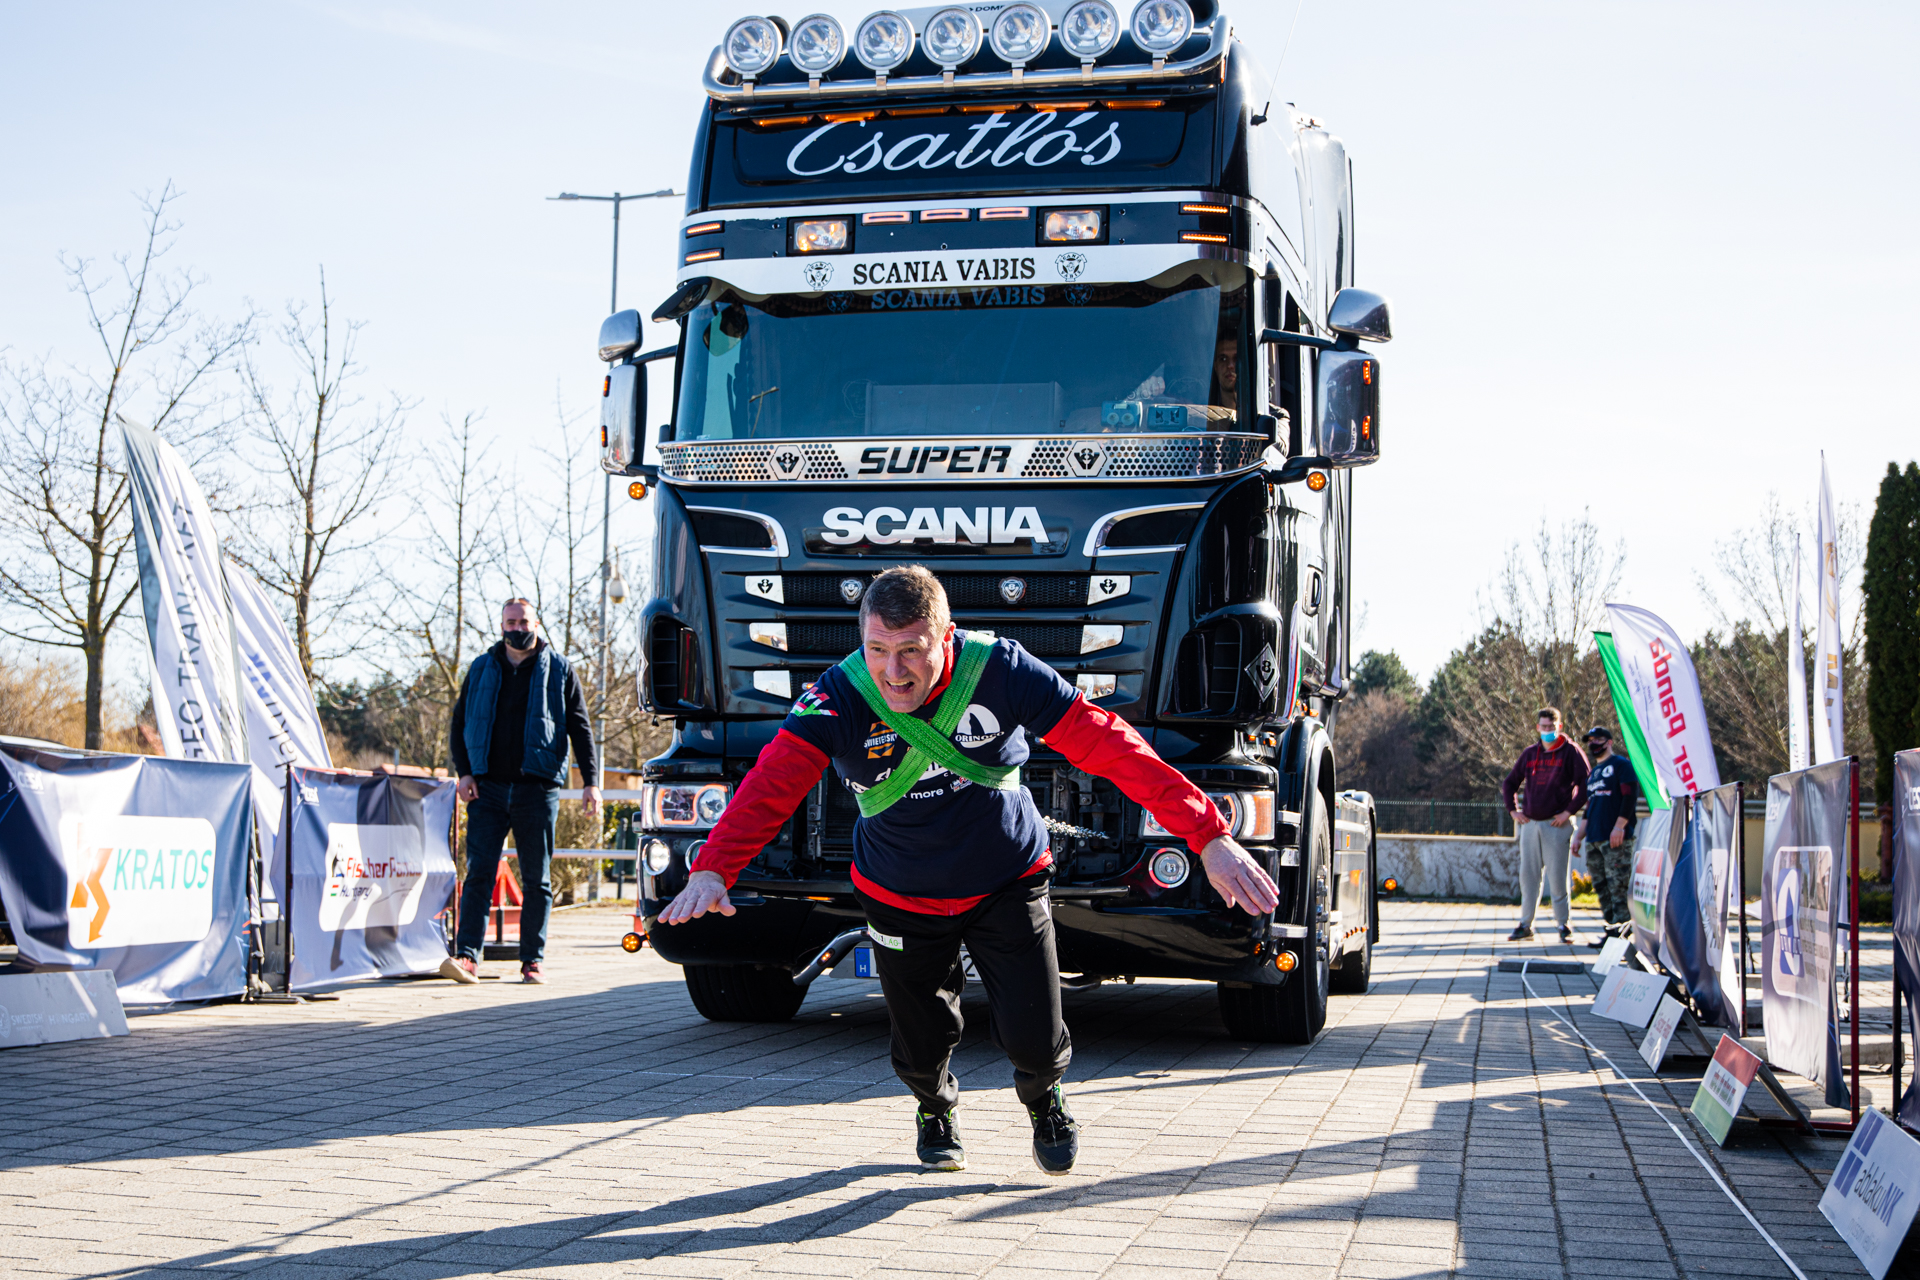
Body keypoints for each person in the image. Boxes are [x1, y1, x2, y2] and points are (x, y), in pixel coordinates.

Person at [661, 565, 1278, 1176]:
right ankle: (934, 1109)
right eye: (877, 649)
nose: (893, 671)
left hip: (1006, 879)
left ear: (946, 636)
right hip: (900, 892)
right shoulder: (838, 695)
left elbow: (1108, 743)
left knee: (1035, 1033)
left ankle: (1045, 1100)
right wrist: (714, 868)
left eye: (911, 650)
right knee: (921, 1039)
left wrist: (1208, 834)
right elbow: (770, 784)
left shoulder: (1001, 669)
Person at [442, 598, 600, 986]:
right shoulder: (480, 668)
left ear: (536, 624)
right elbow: (459, 724)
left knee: (537, 880)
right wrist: (465, 773)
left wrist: (591, 782)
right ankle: (468, 958)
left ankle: (532, 961)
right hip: (487, 789)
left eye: (524, 622)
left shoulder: (560, 669)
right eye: (510, 622)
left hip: (537, 789)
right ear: (501, 626)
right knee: (478, 875)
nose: (517, 628)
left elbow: (580, 728)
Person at [1498, 707, 1588, 943]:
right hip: (1530, 824)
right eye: (1544, 726)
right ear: (1537, 727)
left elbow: (1585, 785)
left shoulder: (1571, 752)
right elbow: (1509, 783)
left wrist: (1568, 812)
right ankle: (1525, 924)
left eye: (1552, 726)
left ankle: (1563, 925)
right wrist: (1513, 810)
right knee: (1528, 877)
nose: (1548, 730)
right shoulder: (1530, 753)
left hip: (1556, 825)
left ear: (1560, 726)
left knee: (1558, 878)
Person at [1573, 726, 1639, 944]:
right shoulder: (1593, 774)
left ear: (1609, 742)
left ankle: (1624, 936)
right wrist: (1578, 836)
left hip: (1615, 838)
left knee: (1617, 886)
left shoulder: (1621, 765)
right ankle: (1612, 932)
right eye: (1590, 740)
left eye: (1598, 739)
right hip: (1594, 838)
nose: (1593, 744)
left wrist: (1619, 826)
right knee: (1602, 888)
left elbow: (1629, 796)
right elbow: (1589, 808)